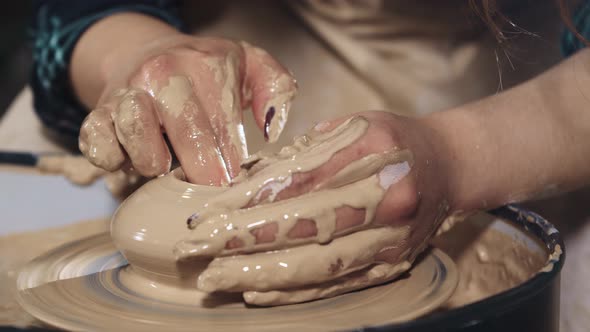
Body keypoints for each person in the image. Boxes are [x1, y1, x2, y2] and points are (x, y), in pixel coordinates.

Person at [30, 0, 590, 324]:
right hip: (234, 36)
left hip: (524, 81)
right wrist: (134, 54)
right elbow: (81, 10)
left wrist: (457, 158)